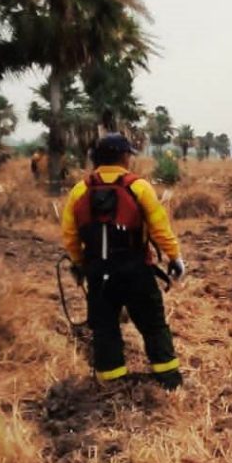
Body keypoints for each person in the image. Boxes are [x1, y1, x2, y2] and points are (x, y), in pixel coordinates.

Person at [60, 133, 186, 390]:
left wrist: (79, 264)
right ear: (123, 157)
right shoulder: (138, 187)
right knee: (153, 325)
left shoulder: (80, 190)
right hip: (135, 270)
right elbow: (159, 229)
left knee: (104, 327)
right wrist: (175, 257)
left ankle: (111, 383)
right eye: (128, 154)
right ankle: (169, 381)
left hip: (98, 272)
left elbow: (70, 236)